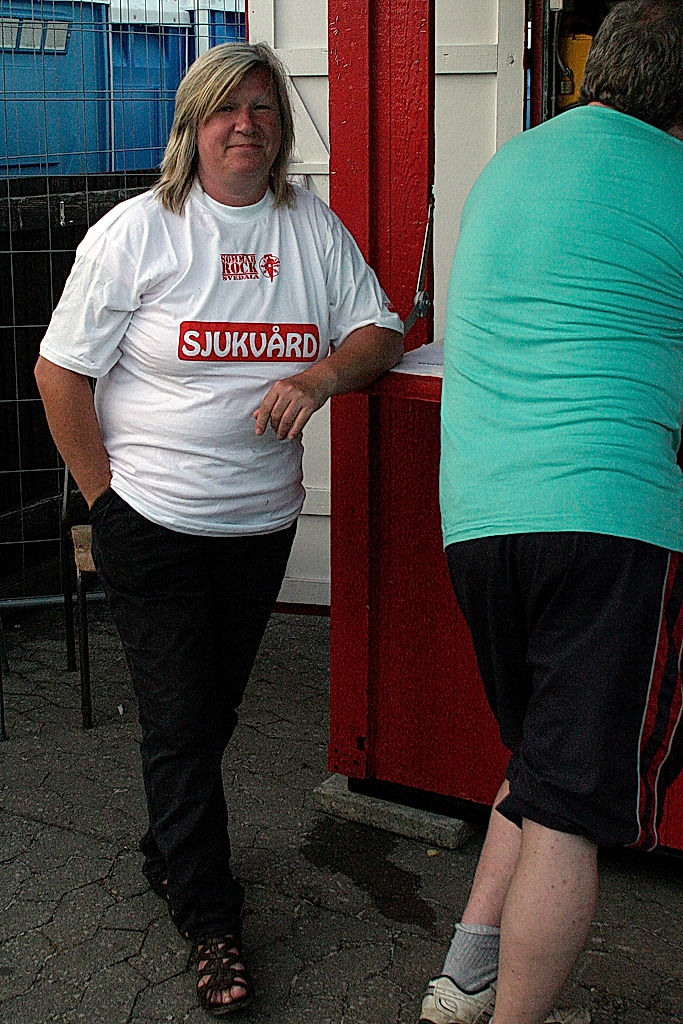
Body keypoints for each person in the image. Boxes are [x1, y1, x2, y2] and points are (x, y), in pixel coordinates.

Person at [35, 41, 403, 1016]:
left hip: (258, 524)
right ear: (193, 126)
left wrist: (320, 375)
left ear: (281, 130)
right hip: (151, 518)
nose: (247, 124)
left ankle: (168, 845)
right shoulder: (138, 233)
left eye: (264, 110)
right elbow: (58, 373)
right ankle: (211, 919)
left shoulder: (309, 231)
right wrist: (104, 500)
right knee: (179, 724)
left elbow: (377, 331)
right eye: (225, 109)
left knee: (209, 715)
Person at [420, 3, 683, 1023]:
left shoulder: (512, 163)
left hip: (479, 522)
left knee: (538, 760)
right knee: (574, 809)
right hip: (607, 519)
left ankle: (465, 977)